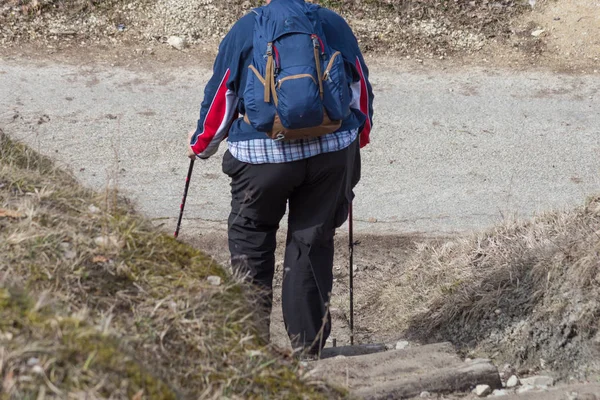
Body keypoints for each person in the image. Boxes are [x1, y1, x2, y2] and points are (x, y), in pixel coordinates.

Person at [186, 0, 373, 357]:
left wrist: (201, 146)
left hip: (262, 162)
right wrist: (356, 139)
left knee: (252, 241)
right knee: (311, 243)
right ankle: (309, 351)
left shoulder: (247, 28)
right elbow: (358, 87)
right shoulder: (331, 23)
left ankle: (251, 349)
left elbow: (222, 95)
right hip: (331, 155)